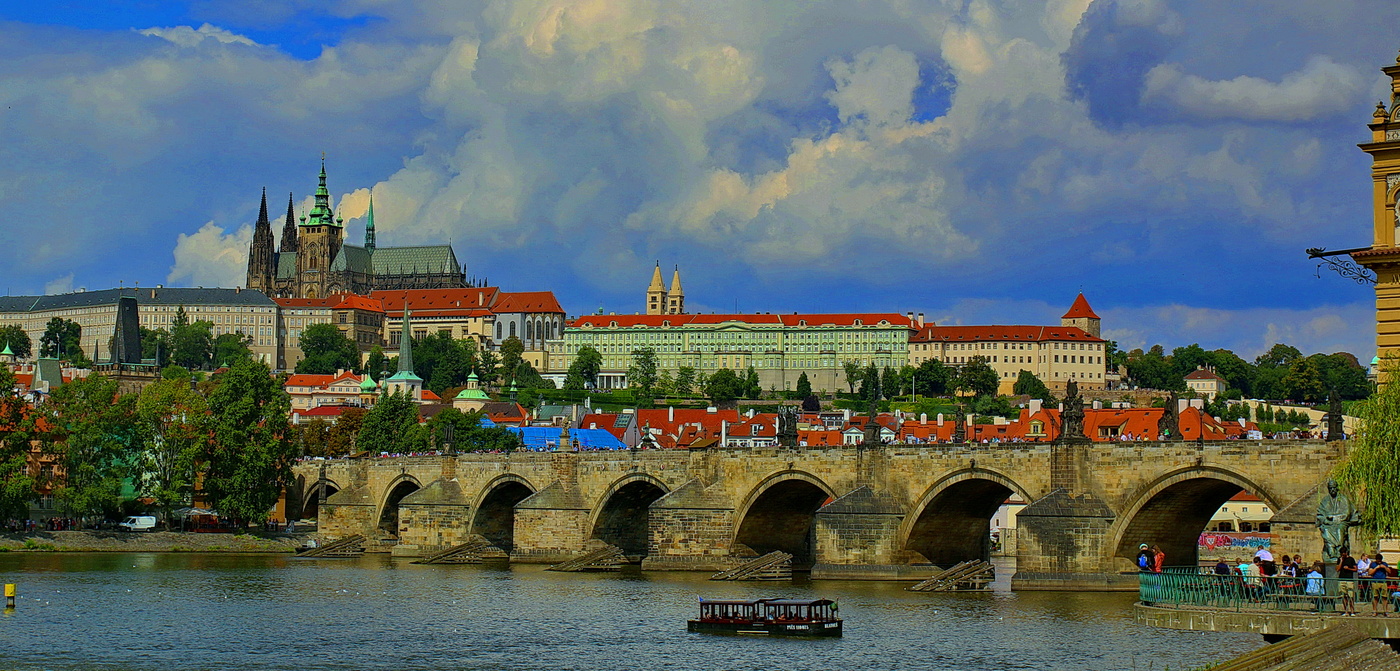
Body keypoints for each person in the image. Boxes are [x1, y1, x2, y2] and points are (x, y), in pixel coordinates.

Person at [1316, 478, 1360, 563]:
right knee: (1325, 530)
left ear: (1337, 488)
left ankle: (1339, 553)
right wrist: (1325, 520)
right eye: (1330, 488)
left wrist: (1333, 517)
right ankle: (1331, 553)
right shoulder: (1325, 500)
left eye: (1333, 488)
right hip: (1329, 524)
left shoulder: (1343, 499)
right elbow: (1320, 514)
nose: (1332, 490)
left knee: (1340, 529)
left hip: (1341, 522)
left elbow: (1346, 514)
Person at [1339, 549, 1358, 616]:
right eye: (1341, 553)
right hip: (1342, 579)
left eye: (1343, 553)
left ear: (1346, 553)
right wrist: (1341, 562)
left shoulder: (1351, 559)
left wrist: (1348, 569)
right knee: (1343, 596)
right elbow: (1337, 569)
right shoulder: (1340, 559)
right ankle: (1345, 611)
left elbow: (1355, 569)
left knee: (1351, 596)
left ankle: (1352, 611)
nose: (1342, 554)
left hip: (1349, 579)